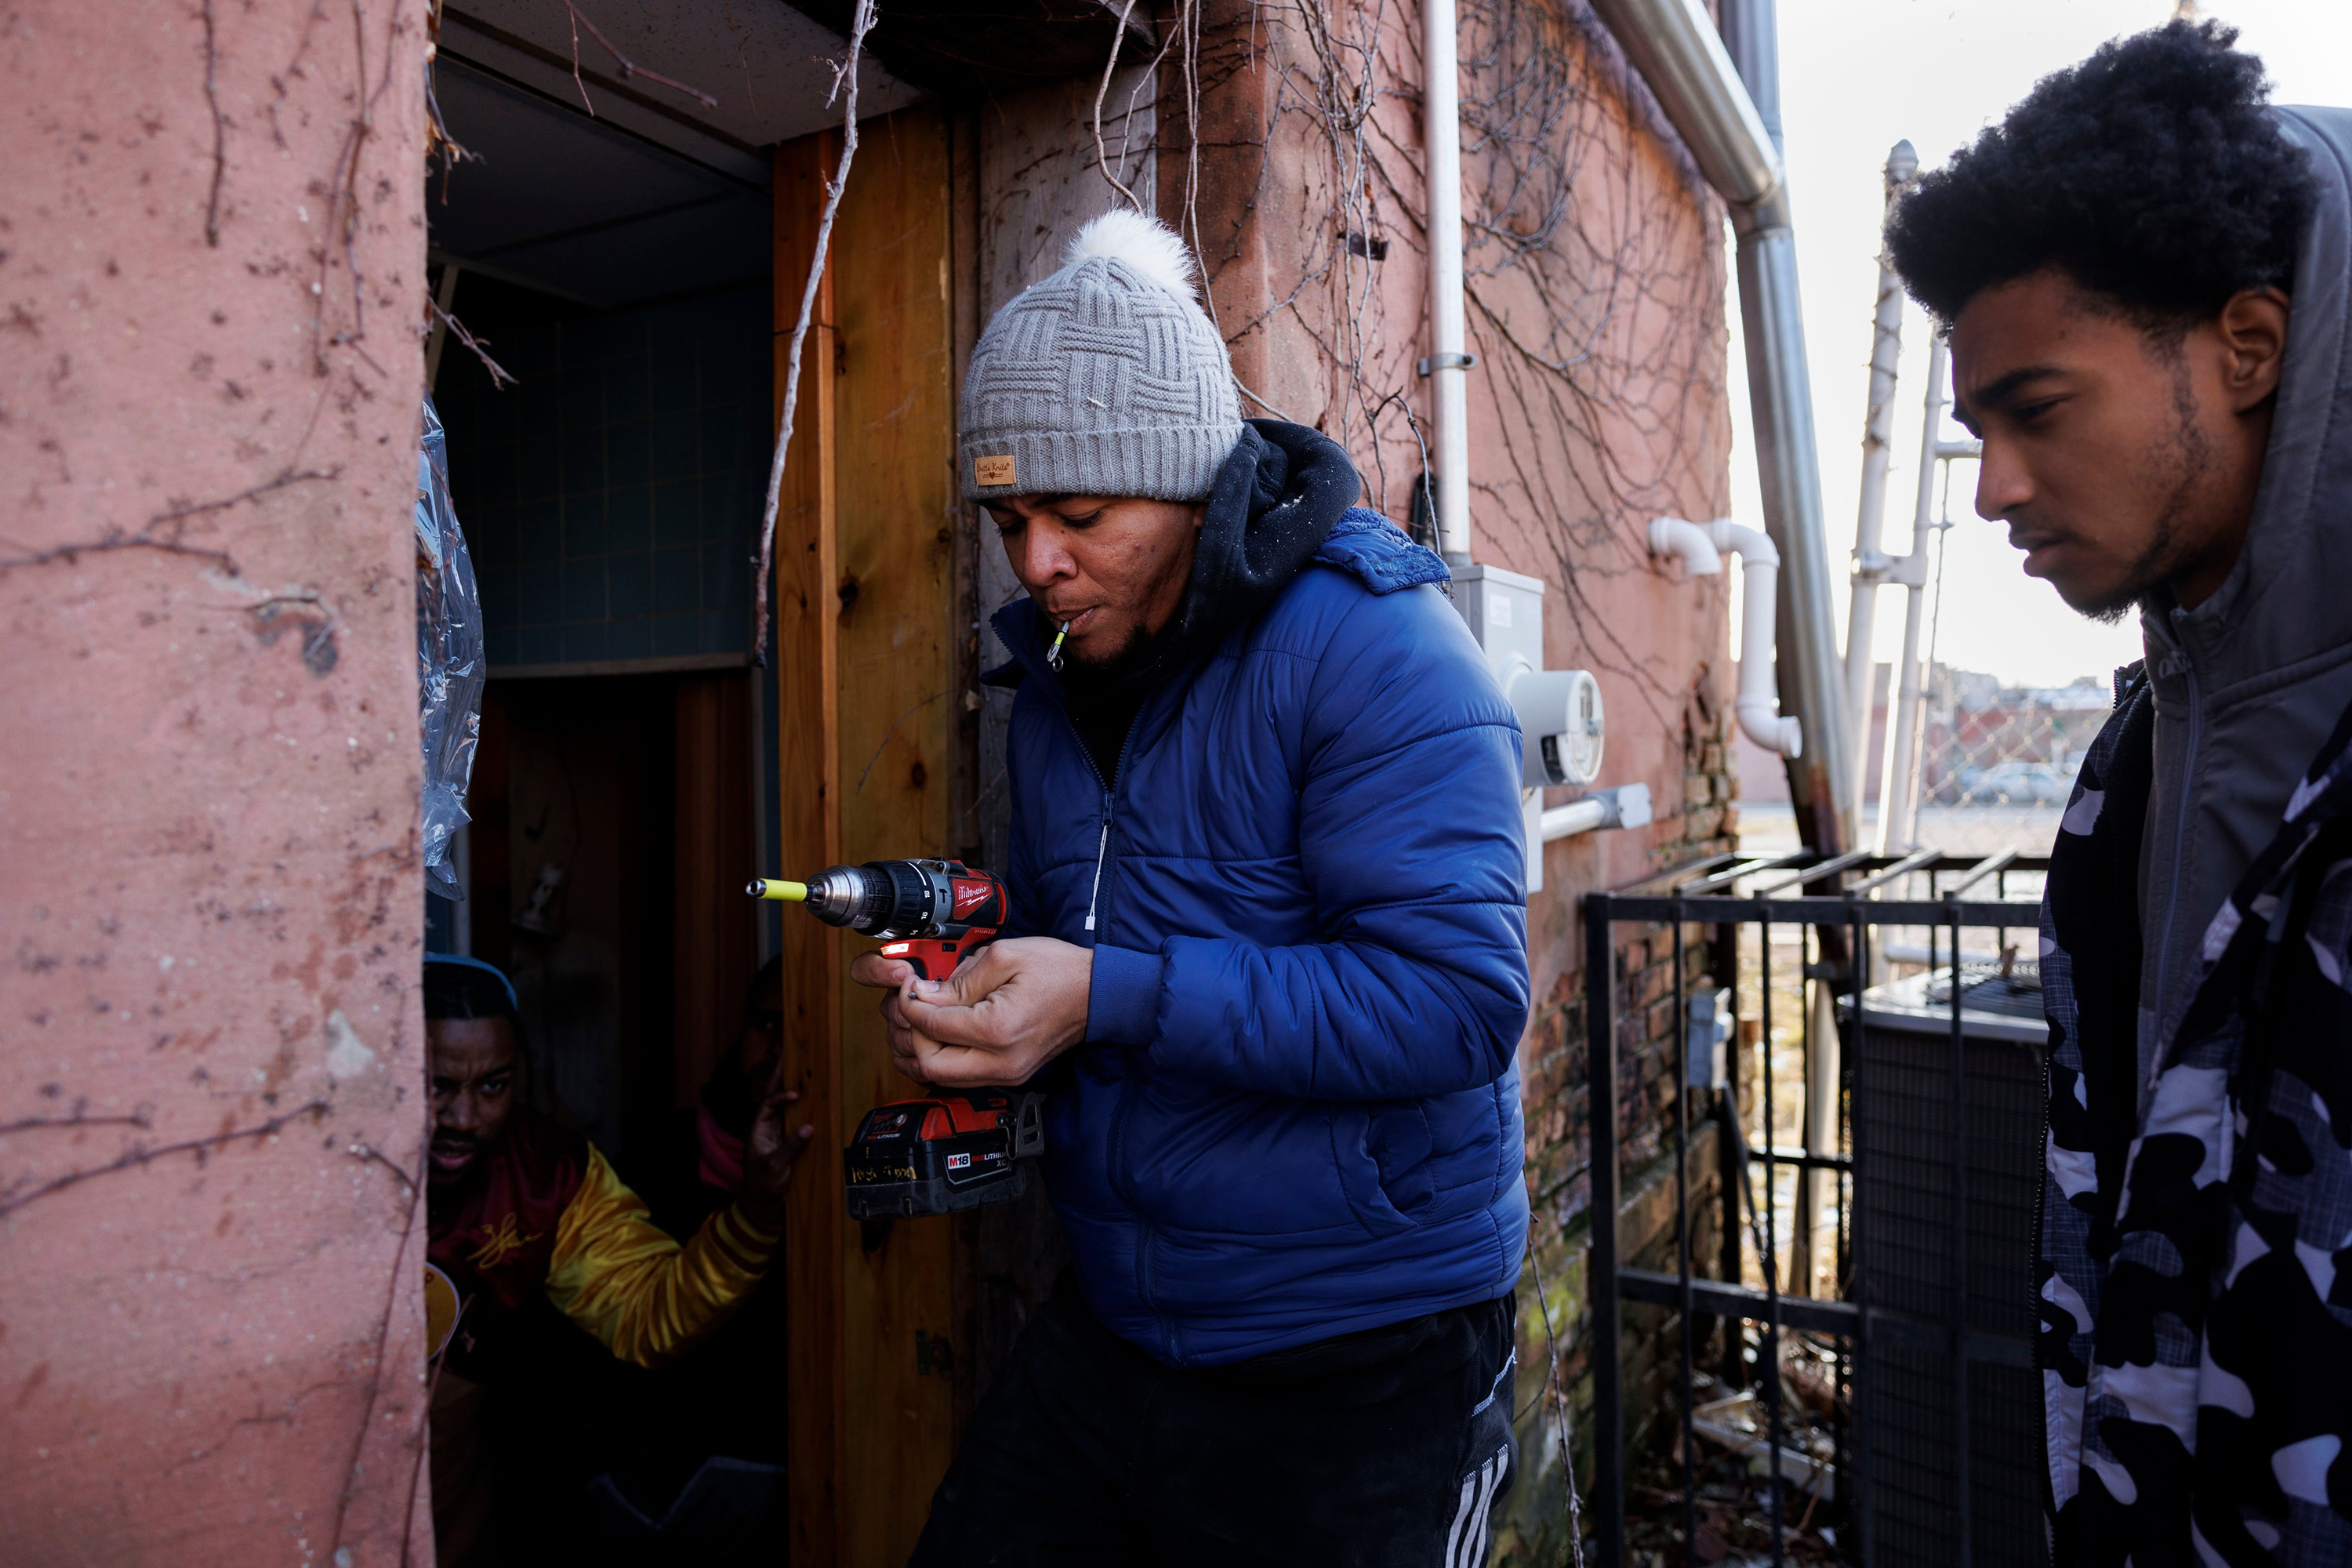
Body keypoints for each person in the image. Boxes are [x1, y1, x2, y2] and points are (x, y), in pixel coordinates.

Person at [849, 210, 1534, 1565]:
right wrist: (994, 1020)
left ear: (1184, 482)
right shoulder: (1056, 676)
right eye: (1007, 518)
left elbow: (1456, 1006)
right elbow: (1091, 951)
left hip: (1359, 1347)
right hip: (1121, 1322)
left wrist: (1104, 996)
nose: (1035, 561)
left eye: (1079, 516)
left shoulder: (1378, 649)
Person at [1886, 22, 2352, 1561]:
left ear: (2248, 345)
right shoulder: (2125, 774)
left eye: (2039, 409)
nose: (1995, 489)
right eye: (1974, 431)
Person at [422, 953, 813, 1563]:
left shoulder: (547, 1176)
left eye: (492, 1085)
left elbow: (650, 1311)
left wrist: (756, 1215)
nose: (464, 1118)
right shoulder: (311, 1165)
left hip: (450, 1515)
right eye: (437, 1086)